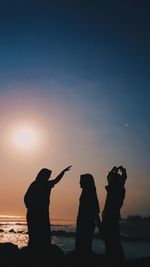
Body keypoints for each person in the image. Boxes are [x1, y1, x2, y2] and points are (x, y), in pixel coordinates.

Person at [24, 166, 72, 250]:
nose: (49, 177)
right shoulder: (38, 184)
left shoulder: (43, 184)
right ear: (43, 175)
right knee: (37, 234)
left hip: (40, 213)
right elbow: (26, 198)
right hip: (36, 214)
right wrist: (32, 207)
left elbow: (56, 180)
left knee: (41, 234)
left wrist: (63, 172)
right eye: (48, 176)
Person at [102, 166, 127, 266]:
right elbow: (112, 178)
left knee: (112, 242)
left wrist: (114, 171)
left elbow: (112, 178)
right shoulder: (118, 189)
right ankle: (115, 261)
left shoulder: (116, 189)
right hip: (110, 218)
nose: (110, 180)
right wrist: (120, 171)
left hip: (110, 218)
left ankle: (116, 262)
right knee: (112, 241)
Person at [75, 174, 102, 255]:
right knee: (84, 247)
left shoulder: (89, 193)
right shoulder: (86, 191)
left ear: (86, 182)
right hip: (84, 223)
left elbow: (95, 211)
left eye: (81, 180)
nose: (79, 182)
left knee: (83, 248)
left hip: (86, 224)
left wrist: (100, 226)